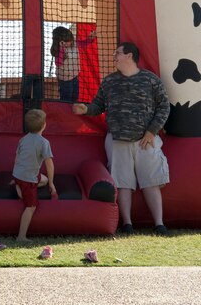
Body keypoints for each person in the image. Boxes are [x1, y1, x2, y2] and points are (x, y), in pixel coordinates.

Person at [72, 42, 170, 235]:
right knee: (122, 183)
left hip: (146, 141)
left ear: (129, 56)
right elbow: (98, 106)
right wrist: (85, 109)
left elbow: (164, 107)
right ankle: (127, 224)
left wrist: (152, 131)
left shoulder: (150, 80)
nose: (114, 56)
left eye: (118, 53)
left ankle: (159, 224)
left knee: (151, 181)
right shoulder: (109, 82)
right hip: (117, 140)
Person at [12, 109, 56, 242]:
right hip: (28, 179)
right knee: (31, 207)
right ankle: (21, 236)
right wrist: (52, 184)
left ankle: (18, 185)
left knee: (44, 179)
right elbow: (49, 164)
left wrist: (15, 175)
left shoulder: (23, 139)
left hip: (18, 174)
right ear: (44, 125)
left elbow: (16, 158)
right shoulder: (44, 142)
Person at [50, 26, 96, 101]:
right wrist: (62, 50)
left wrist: (90, 39)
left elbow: (83, 44)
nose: (71, 42)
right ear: (61, 42)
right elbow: (58, 63)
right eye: (69, 41)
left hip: (74, 77)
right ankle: (65, 111)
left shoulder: (73, 44)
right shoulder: (58, 50)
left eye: (71, 40)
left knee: (75, 97)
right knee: (66, 99)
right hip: (65, 80)